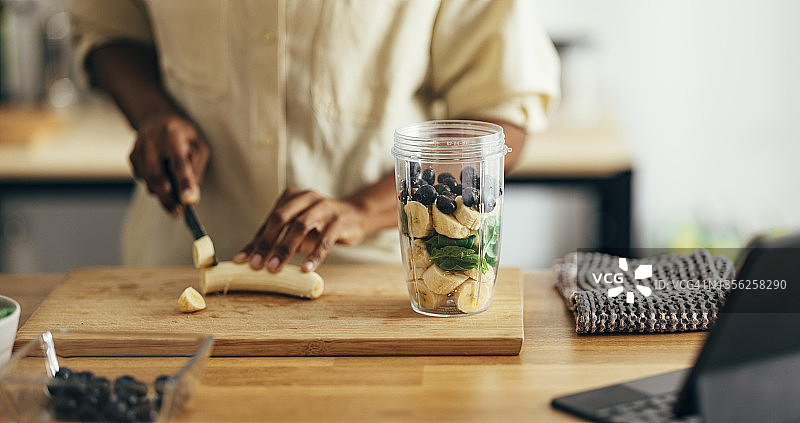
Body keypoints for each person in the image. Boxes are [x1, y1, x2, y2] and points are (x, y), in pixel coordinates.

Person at [68, 0, 560, 273]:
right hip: (176, 271)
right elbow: (107, 27)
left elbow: (502, 118)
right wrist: (152, 113)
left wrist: (363, 210)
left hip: (374, 283)